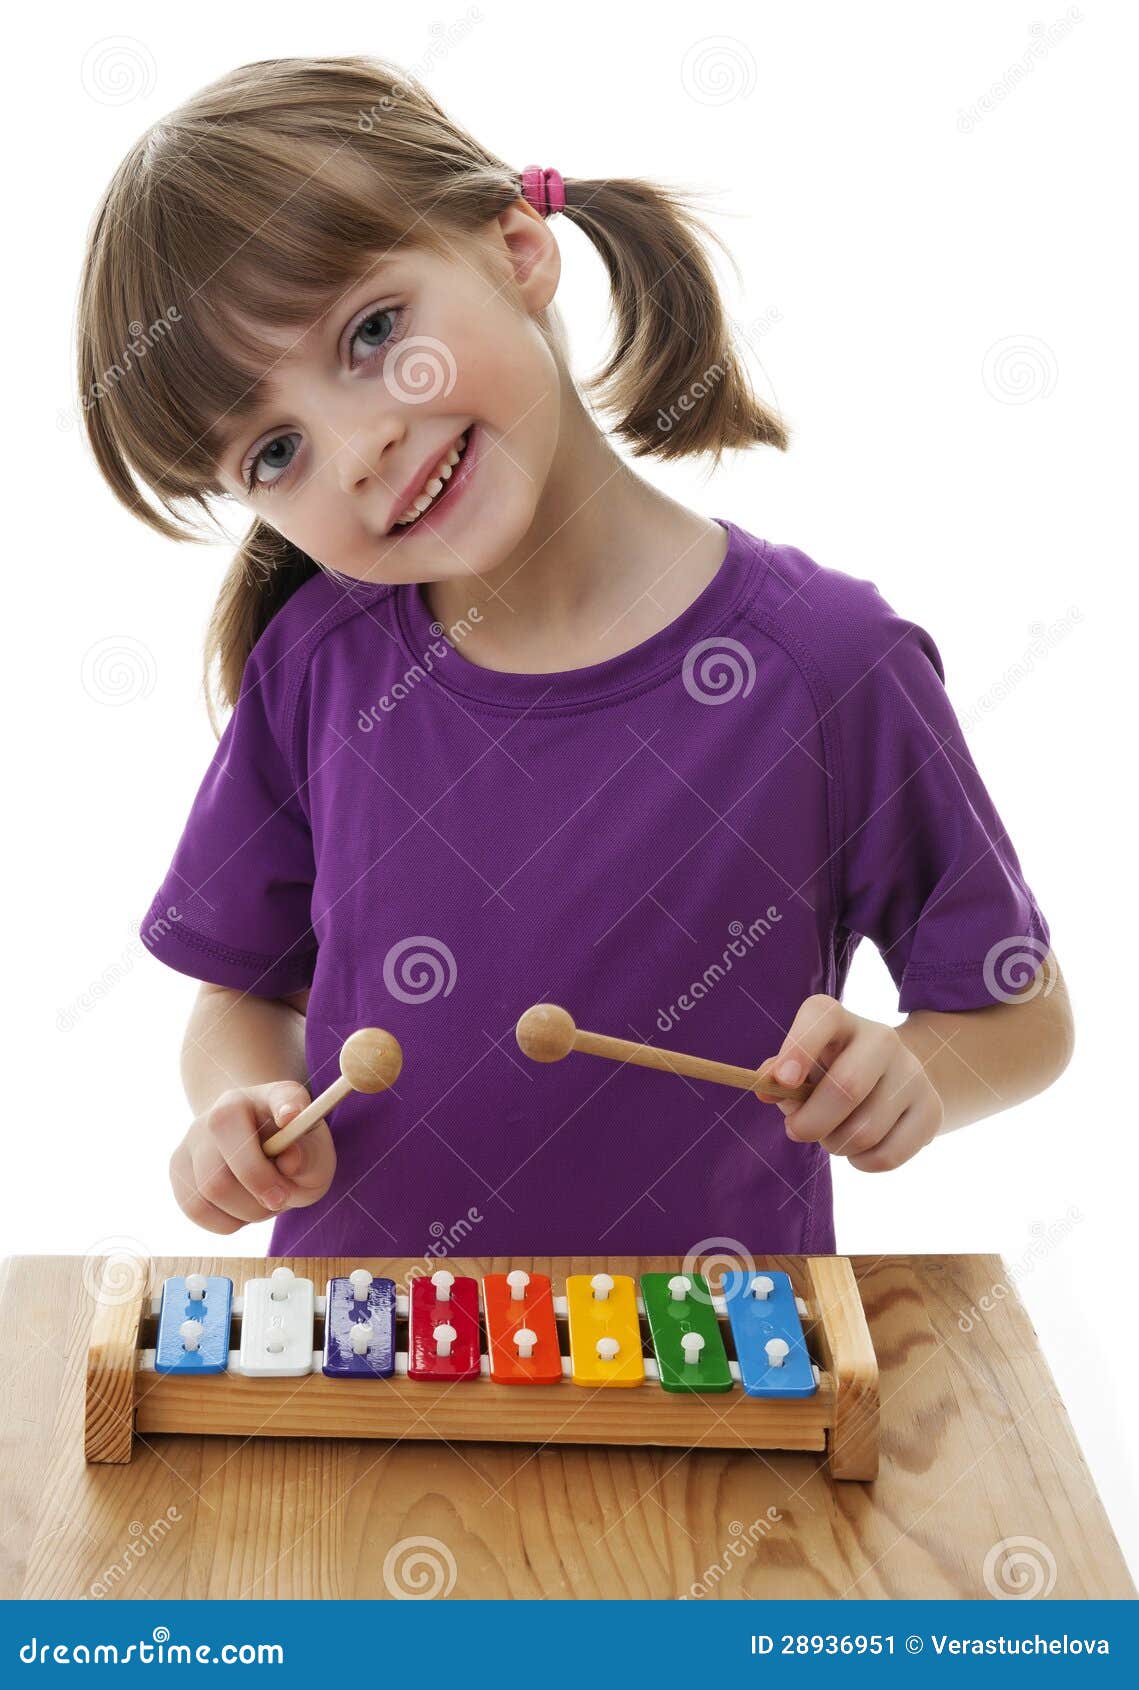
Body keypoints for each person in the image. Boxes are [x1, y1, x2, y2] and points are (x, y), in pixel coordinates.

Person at [77, 56, 1073, 1257]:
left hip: (706, 1356)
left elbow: (1020, 1014)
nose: (357, 448)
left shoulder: (830, 663)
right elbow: (240, 991)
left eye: (374, 331)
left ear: (515, 247)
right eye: (274, 453)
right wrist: (241, 1103)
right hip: (374, 1349)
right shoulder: (317, 665)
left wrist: (912, 1073)